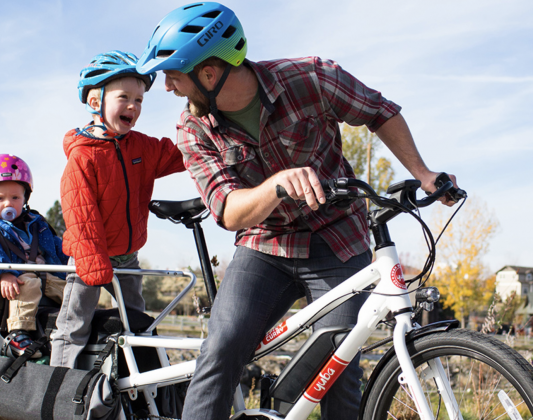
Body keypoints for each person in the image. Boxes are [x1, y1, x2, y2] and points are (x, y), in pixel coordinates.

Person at [135, 3, 460, 419]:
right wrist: (276, 185)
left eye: (173, 74)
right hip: (264, 245)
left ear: (209, 72)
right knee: (222, 347)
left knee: (339, 370)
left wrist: (424, 172)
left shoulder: (310, 78)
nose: (167, 87)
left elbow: (380, 111)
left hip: (338, 239)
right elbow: (230, 211)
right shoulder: (193, 128)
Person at [50, 50, 186, 368]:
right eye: (124, 97)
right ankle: (58, 387)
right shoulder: (84, 156)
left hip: (127, 256)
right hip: (89, 258)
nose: (133, 106)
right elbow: (80, 213)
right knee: (74, 326)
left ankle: (133, 387)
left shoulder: (139, 145)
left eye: (139, 100)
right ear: (96, 102)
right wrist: (93, 262)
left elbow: (175, 155)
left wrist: (203, 135)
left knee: (136, 322)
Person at [0, 153, 70, 358]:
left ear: (25, 198)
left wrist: (74, 258)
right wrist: (3, 273)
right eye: (0, 198)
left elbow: (56, 246)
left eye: (15, 197)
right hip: (17, 276)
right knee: (27, 285)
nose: (8, 203)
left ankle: (80, 328)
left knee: (75, 291)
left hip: (48, 274)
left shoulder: (36, 222)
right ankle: (17, 334)